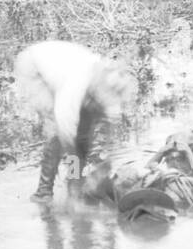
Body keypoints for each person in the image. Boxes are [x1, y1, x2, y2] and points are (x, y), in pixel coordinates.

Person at [12, 40, 138, 202]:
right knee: (56, 134)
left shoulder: (108, 81)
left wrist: (107, 163)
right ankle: (44, 192)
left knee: (85, 133)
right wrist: (75, 170)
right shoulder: (74, 87)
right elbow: (67, 135)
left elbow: (110, 124)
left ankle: (75, 182)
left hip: (72, 74)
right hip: (34, 67)